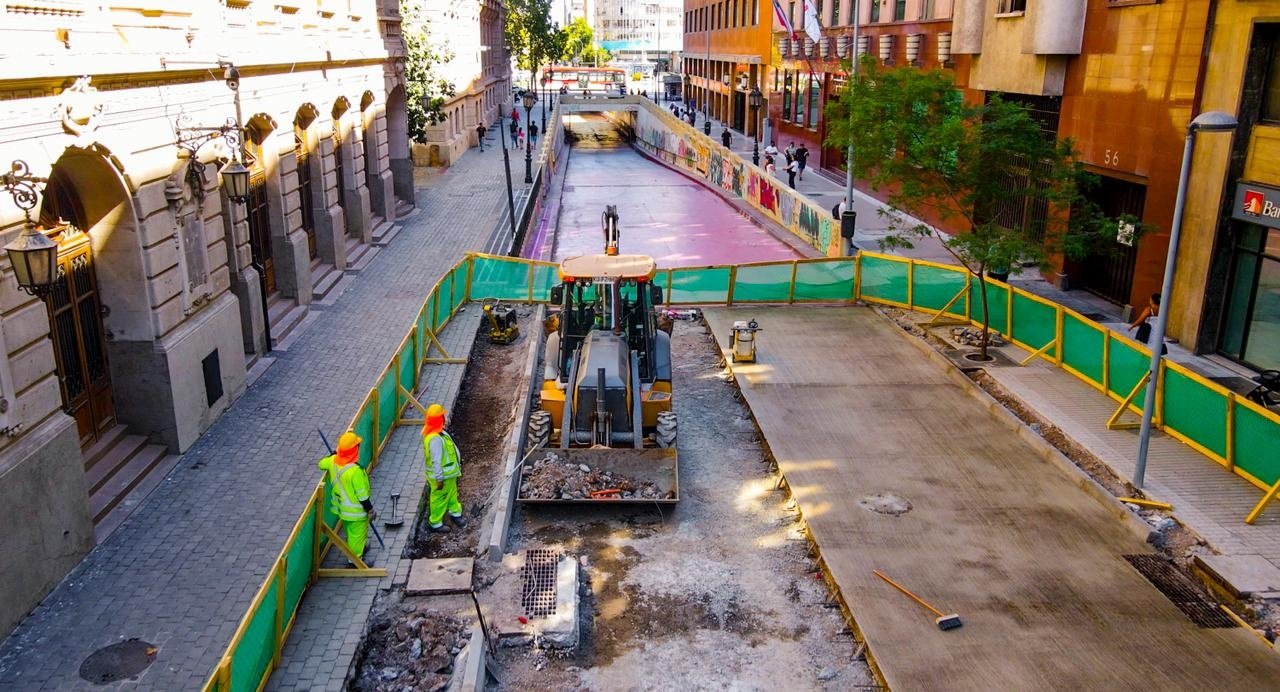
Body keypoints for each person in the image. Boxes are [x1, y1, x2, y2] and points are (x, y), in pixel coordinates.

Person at [318, 432, 376, 565]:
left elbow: (321, 464)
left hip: (342, 510)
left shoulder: (332, 462)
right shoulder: (355, 471)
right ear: (354, 451)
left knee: (351, 534)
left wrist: (333, 455)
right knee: (357, 535)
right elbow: (362, 496)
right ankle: (355, 561)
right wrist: (370, 510)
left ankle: (358, 550)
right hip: (357, 512)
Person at [422, 404, 464, 532]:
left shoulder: (438, 433)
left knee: (452, 493)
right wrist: (439, 479)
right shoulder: (434, 439)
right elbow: (436, 461)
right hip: (442, 477)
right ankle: (435, 523)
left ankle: (455, 512)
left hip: (449, 475)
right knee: (439, 499)